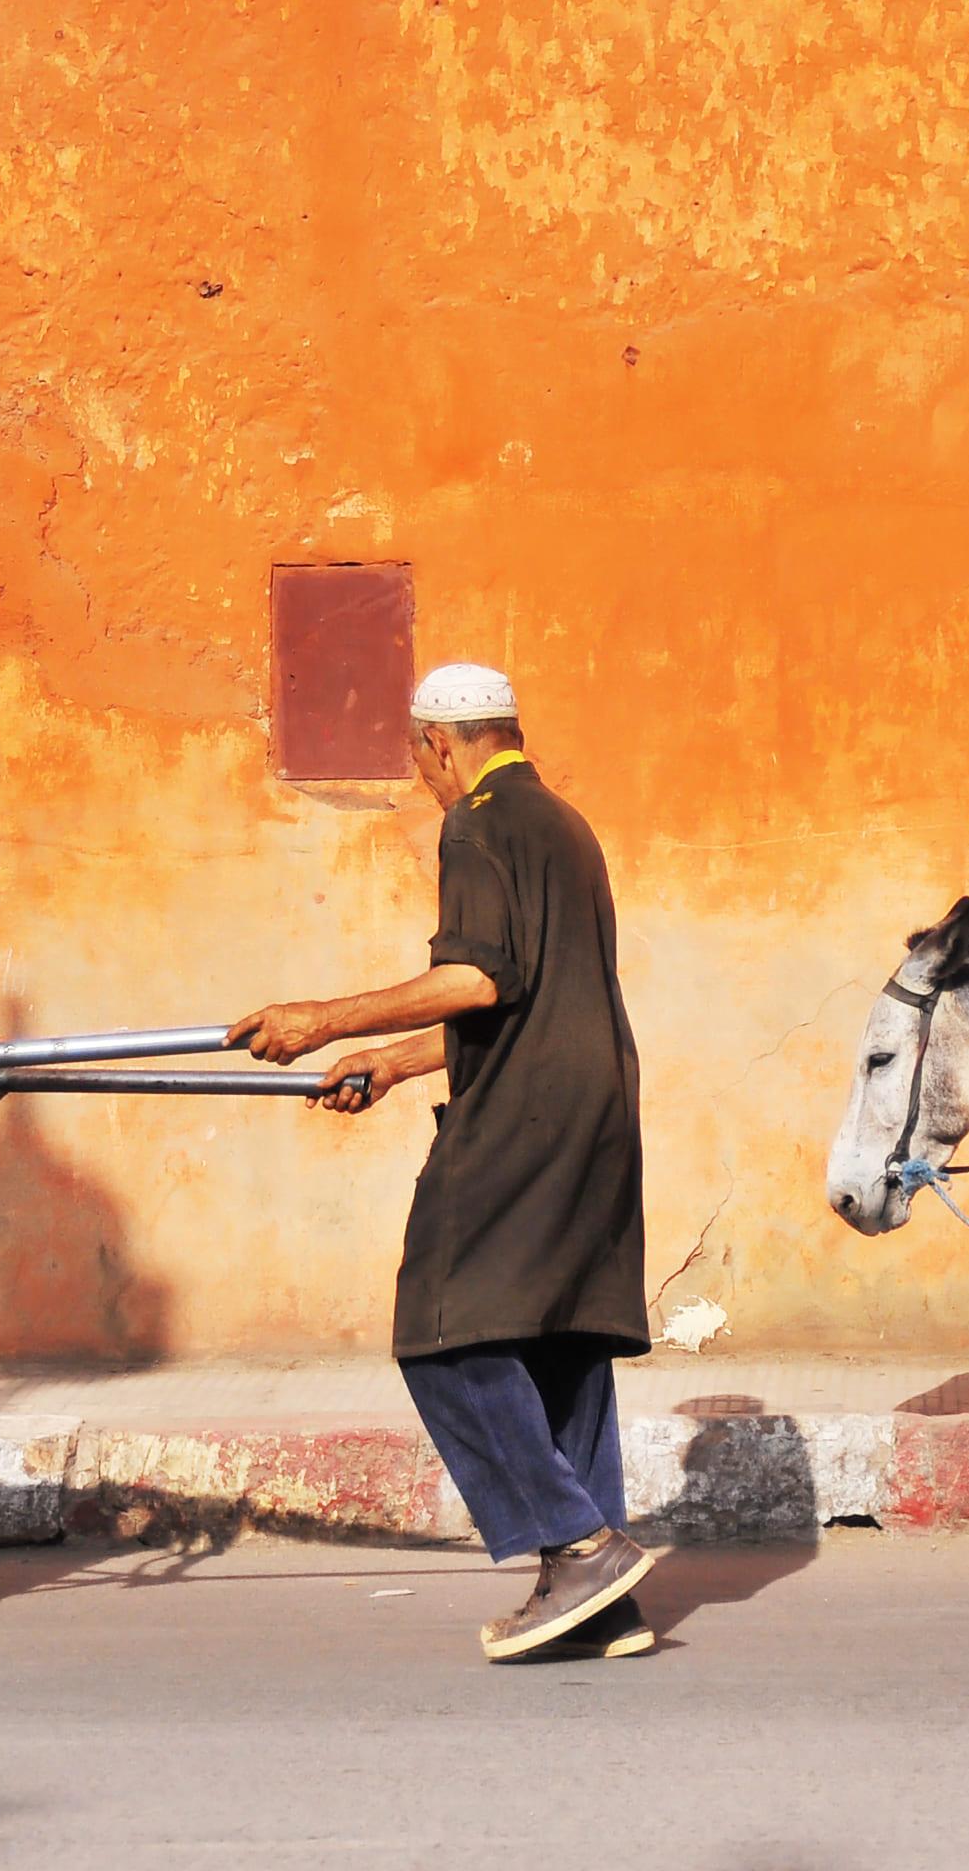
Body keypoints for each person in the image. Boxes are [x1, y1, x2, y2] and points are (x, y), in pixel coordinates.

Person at [228, 663, 660, 1663]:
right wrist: (390, 1061)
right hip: (595, 1108)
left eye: (421, 761)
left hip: (525, 1118)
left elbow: (475, 978)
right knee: (558, 1334)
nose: (425, 778)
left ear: (436, 745)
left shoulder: (476, 822)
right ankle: (598, 1598)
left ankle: (579, 1546)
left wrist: (322, 1018)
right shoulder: (566, 825)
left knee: (443, 1324)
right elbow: (526, 993)